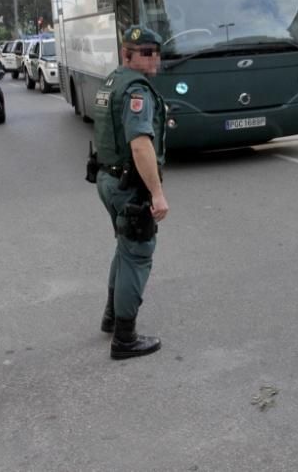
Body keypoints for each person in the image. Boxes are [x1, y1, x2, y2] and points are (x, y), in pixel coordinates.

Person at [92, 25, 169, 360]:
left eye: (156, 51)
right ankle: (125, 338)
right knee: (138, 254)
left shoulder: (112, 82)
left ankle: (111, 317)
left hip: (108, 179)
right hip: (129, 186)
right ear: (127, 54)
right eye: (146, 52)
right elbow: (140, 145)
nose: (154, 58)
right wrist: (157, 193)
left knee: (124, 250)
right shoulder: (136, 90)